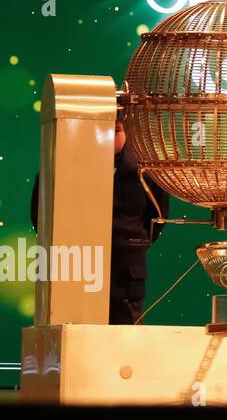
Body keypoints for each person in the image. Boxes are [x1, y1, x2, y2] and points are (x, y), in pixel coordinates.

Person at [29, 120, 170, 325]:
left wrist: (132, 242)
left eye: (115, 131)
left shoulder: (147, 168)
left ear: (126, 130)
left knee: (126, 342)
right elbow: (41, 217)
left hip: (125, 278)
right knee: (73, 341)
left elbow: (157, 217)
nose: (107, 138)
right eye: (101, 131)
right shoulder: (63, 164)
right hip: (75, 274)